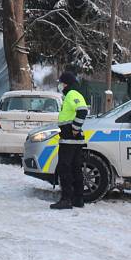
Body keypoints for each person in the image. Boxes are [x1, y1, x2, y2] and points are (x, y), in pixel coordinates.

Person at [50, 71, 89, 210]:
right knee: (75, 168)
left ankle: (66, 199)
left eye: (61, 83)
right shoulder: (72, 95)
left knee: (64, 168)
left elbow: (82, 111)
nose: (60, 85)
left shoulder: (72, 94)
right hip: (73, 140)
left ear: (66, 83)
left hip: (69, 139)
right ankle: (78, 199)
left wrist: (75, 128)